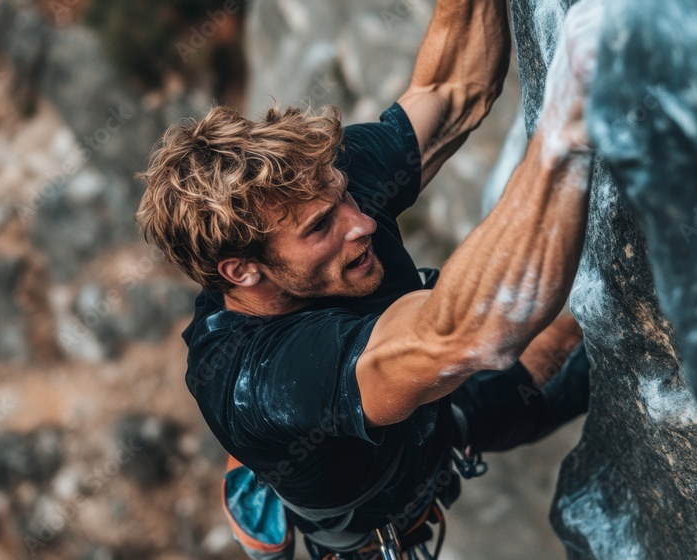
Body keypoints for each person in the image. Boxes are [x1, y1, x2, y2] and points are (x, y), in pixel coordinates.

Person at [136, 0, 604, 557]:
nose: (361, 223)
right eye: (320, 228)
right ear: (241, 270)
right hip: (379, 499)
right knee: (568, 342)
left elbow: (453, 92)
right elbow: (464, 336)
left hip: (423, 420)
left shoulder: (315, 187)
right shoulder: (265, 381)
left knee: (591, 320)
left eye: (344, 196)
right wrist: (567, 128)